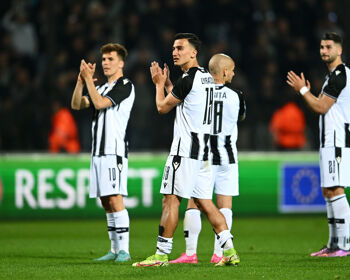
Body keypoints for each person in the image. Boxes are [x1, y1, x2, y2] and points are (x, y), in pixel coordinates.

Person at [132, 33, 239, 267]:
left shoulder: (188, 79)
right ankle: (229, 249)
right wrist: (171, 84)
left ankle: (161, 254)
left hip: (185, 150)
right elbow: (187, 101)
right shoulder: (206, 78)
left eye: (180, 48)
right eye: (173, 48)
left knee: (170, 200)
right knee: (205, 202)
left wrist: (159, 85)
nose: (175, 52)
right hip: (204, 153)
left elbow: (162, 107)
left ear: (194, 52)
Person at [170, 54, 246, 264]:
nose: (233, 73)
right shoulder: (237, 95)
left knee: (194, 203)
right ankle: (219, 254)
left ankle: (190, 253)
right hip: (227, 157)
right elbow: (241, 117)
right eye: (231, 70)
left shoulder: (200, 92)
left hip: (203, 155)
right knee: (225, 205)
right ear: (224, 72)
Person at [286, 32, 350, 257]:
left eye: (329, 47)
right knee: (328, 189)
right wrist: (308, 92)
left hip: (337, 140)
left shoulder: (340, 75)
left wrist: (302, 90)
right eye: (322, 47)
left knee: (336, 188)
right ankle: (334, 244)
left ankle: (344, 244)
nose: (324, 50)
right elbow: (321, 105)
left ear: (339, 50)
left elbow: (321, 107)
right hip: (329, 141)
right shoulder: (332, 76)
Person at [71, 43, 135, 262]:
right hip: (98, 152)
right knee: (106, 201)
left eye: (110, 59)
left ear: (121, 63)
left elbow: (98, 105)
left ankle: (125, 251)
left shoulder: (125, 84)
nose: (106, 63)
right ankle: (114, 250)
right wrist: (81, 83)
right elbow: (77, 104)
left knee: (115, 198)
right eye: (104, 59)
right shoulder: (102, 88)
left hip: (113, 151)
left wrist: (89, 79)